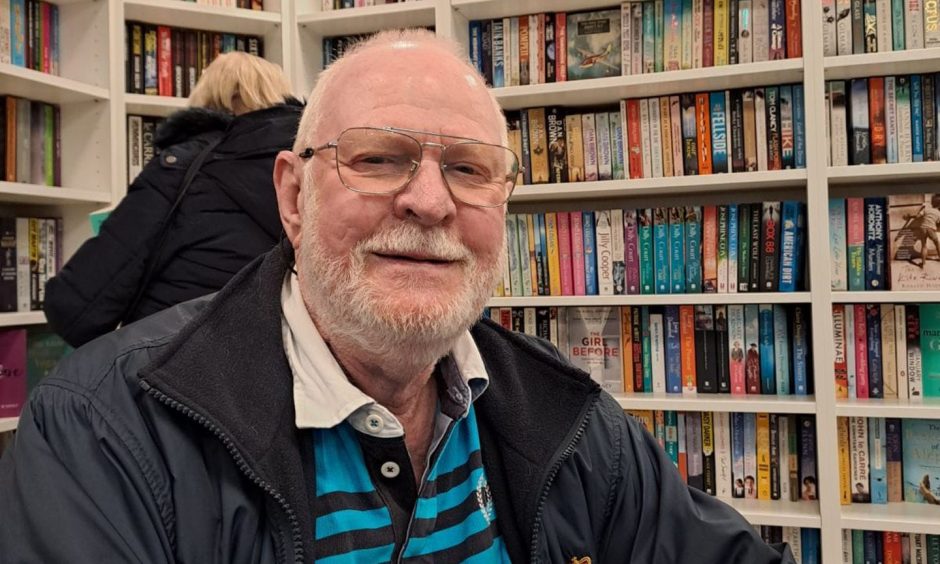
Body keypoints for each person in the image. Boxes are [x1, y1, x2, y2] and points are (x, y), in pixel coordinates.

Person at [0, 30, 795, 563]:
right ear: (291, 196)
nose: (429, 201)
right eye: (378, 159)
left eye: (470, 169)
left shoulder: (568, 415)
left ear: (504, 209)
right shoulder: (104, 433)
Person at [43, 51, 303, 348]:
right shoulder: (310, 172)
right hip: (281, 370)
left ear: (207, 98)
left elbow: (74, 309)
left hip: (172, 366)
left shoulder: (182, 166)